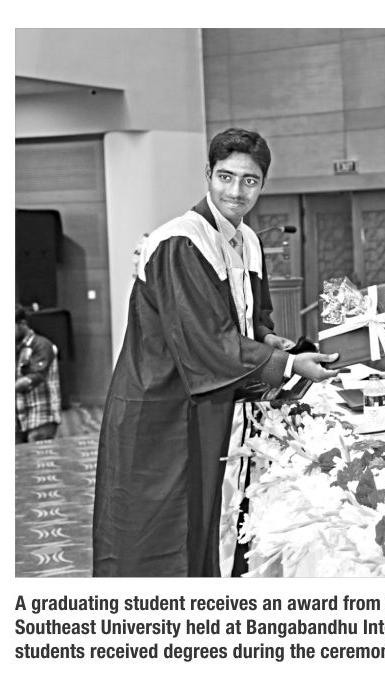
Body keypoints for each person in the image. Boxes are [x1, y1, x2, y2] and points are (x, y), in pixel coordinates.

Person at [93, 128, 339, 577]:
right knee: (164, 534)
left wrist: (267, 339)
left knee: (214, 520)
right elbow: (205, 340)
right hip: (164, 408)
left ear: (262, 185)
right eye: (226, 176)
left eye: (250, 180)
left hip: (214, 401)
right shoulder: (181, 241)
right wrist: (287, 364)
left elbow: (251, 318)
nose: (236, 191)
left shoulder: (248, 241)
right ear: (207, 174)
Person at [15, 304, 61, 443]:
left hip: (41, 416)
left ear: (22, 324)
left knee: (37, 454)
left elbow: (34, 378)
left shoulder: (41, 344)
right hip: (20, 418)